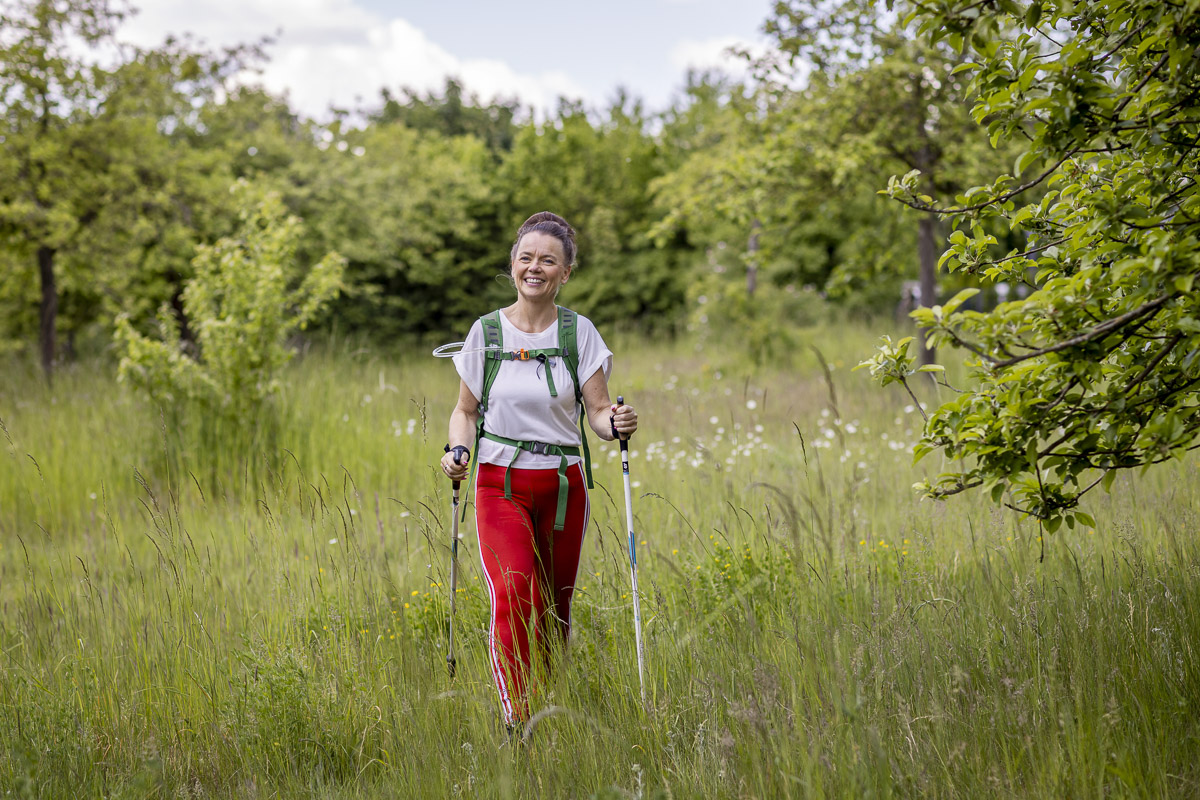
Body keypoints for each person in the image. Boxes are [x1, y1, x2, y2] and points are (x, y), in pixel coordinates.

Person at [441, 211, 638, 731]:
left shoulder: (580, 333)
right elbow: (465, 411)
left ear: (565, 272)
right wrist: (456, 451)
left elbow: (596, 415)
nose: (535, 267)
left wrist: (614, 421)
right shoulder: (485, 332)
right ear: (512, 265)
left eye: (548, 260)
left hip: (563, 487)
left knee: (555, 610)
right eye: (526, 258)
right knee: (514, 594)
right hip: (499, 483)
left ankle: (547, 708)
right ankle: (518, 720)